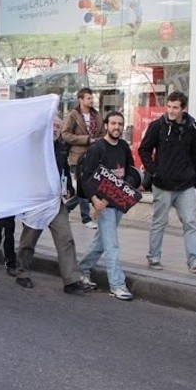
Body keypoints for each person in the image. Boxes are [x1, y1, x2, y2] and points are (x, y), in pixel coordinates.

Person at [14, 113, 97, 294]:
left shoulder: (61, 147)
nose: (55, 129)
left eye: (58, 127)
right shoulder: (35, 146)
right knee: (29, 240)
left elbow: (64, 170)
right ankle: (22, 272)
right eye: (52, 126)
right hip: (36, 202)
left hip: (55, 201)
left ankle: (71, 280)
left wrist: (68, 188)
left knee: (65, 239)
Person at [138, 91, 196, 274]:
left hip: (185, 185)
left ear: (183, 109)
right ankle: (153, 257)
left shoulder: (192, 128)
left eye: (175, 107)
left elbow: (195, 155)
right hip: (162, 184)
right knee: (159, 222)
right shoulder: (157, 126)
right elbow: (144, 150)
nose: (171, 110)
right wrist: (154, 172)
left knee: (190, 222)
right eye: (169, 106)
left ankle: (195, 260)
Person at [77, 111, 141, 301]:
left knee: (101, 241)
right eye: (113, 123)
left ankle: (82, 270)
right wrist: (94, 199)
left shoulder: (123, 146)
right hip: (103, 205)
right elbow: (87, 177)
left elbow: (131, 170)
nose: (117, 127)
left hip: (118, 202)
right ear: (106, 125)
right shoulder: (97, 148)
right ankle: (117, 285)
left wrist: (125, 186)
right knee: (111, 244)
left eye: (120, 124)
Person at [61, 87, 104, 230]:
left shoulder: (96, 115)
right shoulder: (73, 115)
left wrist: (99, 141)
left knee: (86, 187)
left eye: (92, 98)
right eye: (88, 98)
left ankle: (64, 210)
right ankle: (86, 218)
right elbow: (65, 134)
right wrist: (86, 140)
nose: (91, 100)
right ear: (81, 100)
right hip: (78, 157)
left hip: (94, 156)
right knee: (83, 186)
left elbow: (103, 133)